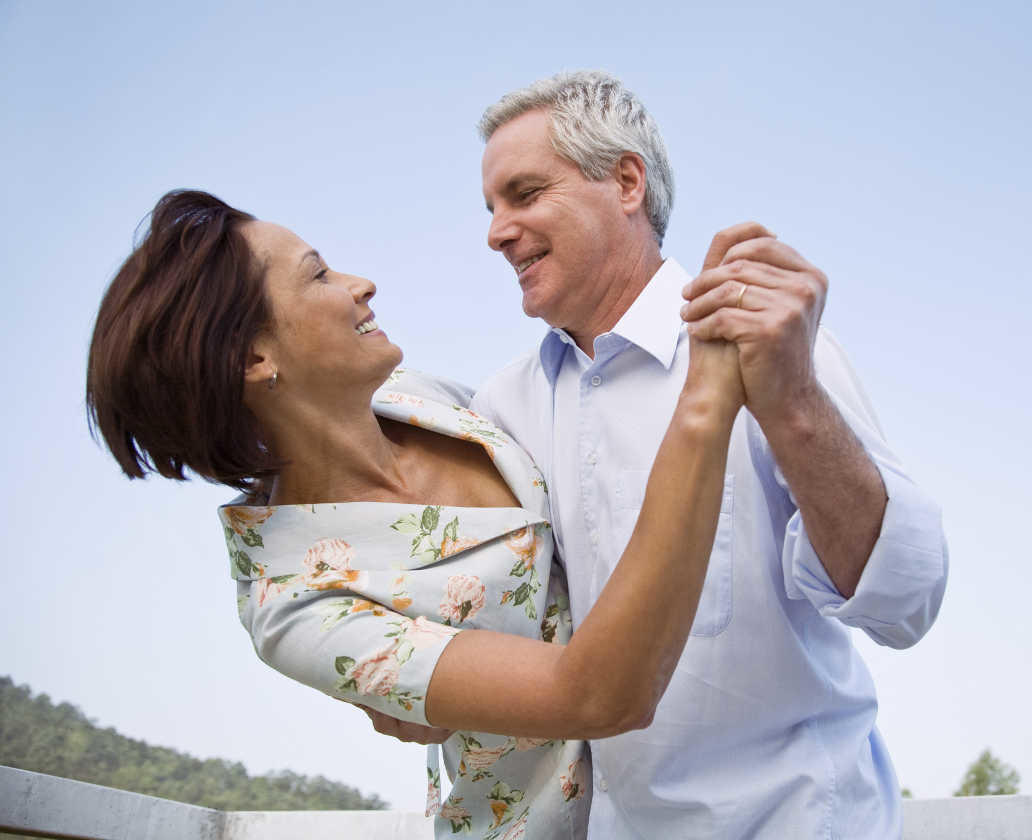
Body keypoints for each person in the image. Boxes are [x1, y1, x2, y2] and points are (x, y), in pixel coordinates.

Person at [85, 189, 751, 839]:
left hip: (691, 790)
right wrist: (706, 404)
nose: (361, 283)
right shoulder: (294, 604)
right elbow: (600, 697)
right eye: (318, 274)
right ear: (254, 359)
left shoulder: (423, 400)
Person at [464, 71, 949, 839]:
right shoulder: (503, 407)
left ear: (626, 181)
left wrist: (789, 399)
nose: (496, 230)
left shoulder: (779, 342)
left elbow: (907, 602)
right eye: (491, 207)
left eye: (524, 194)